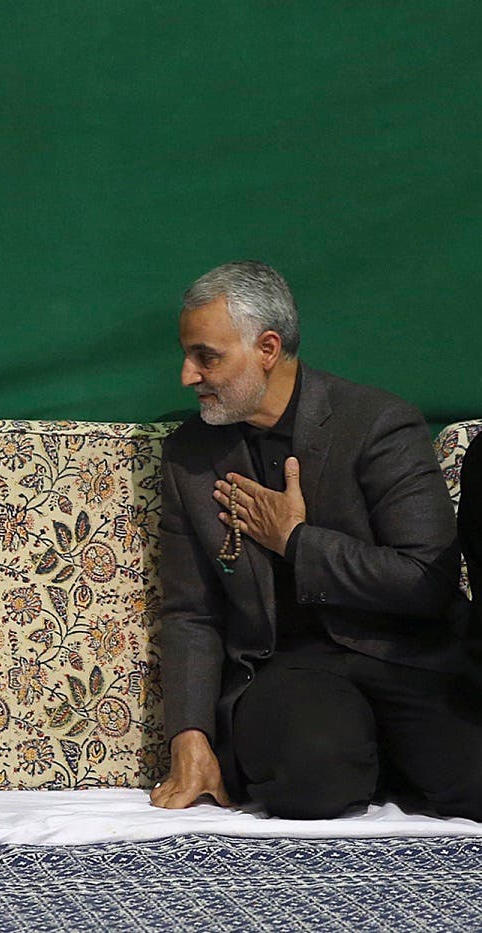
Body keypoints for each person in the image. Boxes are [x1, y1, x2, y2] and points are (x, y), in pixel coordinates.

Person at [149, 260, 481, 821]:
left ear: (268, 348)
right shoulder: (192, 456)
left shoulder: (378, 423)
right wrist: (190, 734)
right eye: (188, 355)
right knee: (312, 785)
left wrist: (297, 541)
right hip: (289, 666)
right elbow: (190, 612)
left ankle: (386, 754)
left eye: (206, 356)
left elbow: (425, 580)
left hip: (407, 654)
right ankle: (360, 756)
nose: (187, 375)